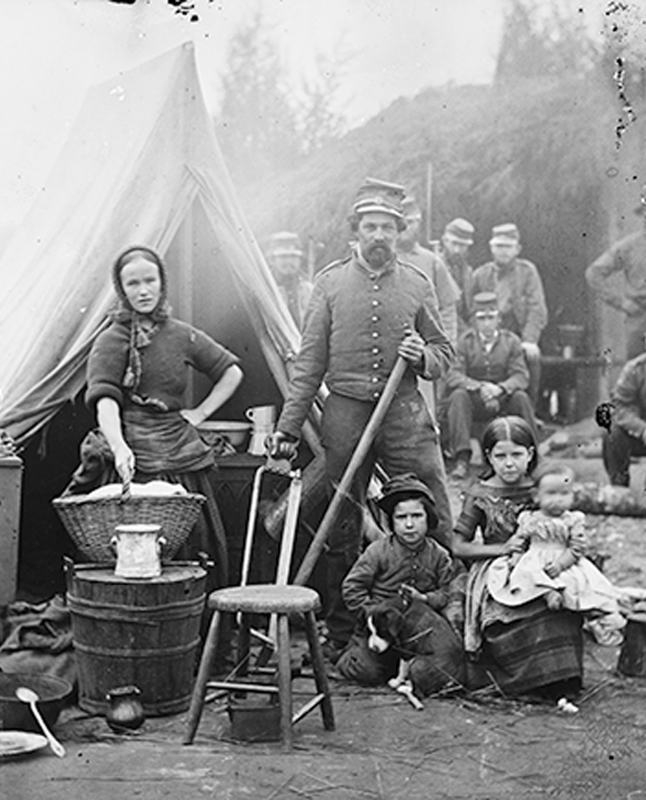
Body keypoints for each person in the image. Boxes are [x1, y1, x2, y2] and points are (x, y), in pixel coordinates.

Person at [270, 177, 454, 662]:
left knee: (430, 501)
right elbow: (308, 365)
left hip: (404, 409)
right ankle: (342, 630)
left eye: (387, 228)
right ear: (356, 231)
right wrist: (288, 429)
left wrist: (422, 357)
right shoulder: (329, 284)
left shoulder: (418, 283)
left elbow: (444, 352)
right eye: (370, 226)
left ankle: (441, 620)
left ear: (399, 232)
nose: (379, 235)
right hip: (346, 411)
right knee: (341, 520)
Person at [66, 245, 244, 575]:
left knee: (189, 546)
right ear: (121, 289)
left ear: (162, 282)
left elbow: (231, 372)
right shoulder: (111, 340)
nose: (143, 290)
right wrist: (119, 448)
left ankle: (190, 620)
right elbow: (106, 403)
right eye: (133, 283)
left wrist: (200, 413)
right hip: (129, 456)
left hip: (178, 454)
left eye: (150, 280)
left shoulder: (181, 334)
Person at [451, 416, 584, 702]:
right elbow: (458, 546)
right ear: (488, 456)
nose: (509, 463)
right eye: (500, 456)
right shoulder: (480, 493)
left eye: (516, 454)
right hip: (497, 568)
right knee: (515, 612)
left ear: (530, 454)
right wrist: (500, 550)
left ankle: (561, 681)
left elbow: (565, 524)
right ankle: (523, 683)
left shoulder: (541, 487)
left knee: (557, 605)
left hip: (544, 561)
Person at [486, 462, 626, 645]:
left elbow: (577, 548)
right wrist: (516, 557)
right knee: (524, 574)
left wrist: (561, 564)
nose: (558, 499)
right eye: (551, 493)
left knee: (576, 583)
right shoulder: (530, 518)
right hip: (535, 558)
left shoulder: (572, 519)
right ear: (537, 496)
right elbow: (520, 541)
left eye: (564, 493)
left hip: (562, 559)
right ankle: (547, 593)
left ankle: (583, 610)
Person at [337, 473, 455, 684]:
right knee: (368, 672)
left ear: (429, 517)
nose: (409, 525)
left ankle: (402, 669)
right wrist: (373, 612)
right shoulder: (378, 551)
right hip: (380, 630)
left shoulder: (439, 555)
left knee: (437, 671)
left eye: (417, 516)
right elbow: (352, 586)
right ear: (391, 521)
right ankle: (349, 655)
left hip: (417, 632)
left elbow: (446, 593)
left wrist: (426, 599)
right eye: (401, 518)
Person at [443, 292, 539, 479]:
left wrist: (500, 389)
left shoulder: (511, 341)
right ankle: (462, 459)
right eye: (481, 318)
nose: (486, 323)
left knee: (521, 397)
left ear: (499, 319)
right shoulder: (465, 342)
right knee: (458, 396)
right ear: (474, 321)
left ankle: (533, 458)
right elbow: (453, 375)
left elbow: (520, 376)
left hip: (503, 398)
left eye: (491, 317)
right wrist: (480, 387)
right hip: (475, 398)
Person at [470, 223, 548, 402]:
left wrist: (530, 340)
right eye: (499, 246)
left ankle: (529, 409)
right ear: (491, 247)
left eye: (508, 247)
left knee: (531, 358)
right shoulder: (480, 275)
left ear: (517, 249)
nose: (503, 251)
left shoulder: (527, 272)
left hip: (518, 336)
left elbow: (537, 308)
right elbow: (469, 310)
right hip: (487, 335)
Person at [585, 202, 646, 360]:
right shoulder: (629, 246)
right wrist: (621, 302)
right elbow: (594, 274)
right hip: (640, 319)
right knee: (637, 373)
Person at [397, 197, 460, 344]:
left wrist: (446, 347)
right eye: (401, 222)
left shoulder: (432, 262)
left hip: (424, 349)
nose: (406, 227)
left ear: (419, 223)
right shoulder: (379, 260)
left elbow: (447, 309)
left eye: (411, 222)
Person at [600, 344, 646, 486]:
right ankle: (620, 491)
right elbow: (619, 406)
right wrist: (642, 429)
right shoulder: (636, 369)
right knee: (613, 434)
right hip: (643, 435)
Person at [265, 231, 313, 328]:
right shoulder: (265, 290)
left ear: (299, 260)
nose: (289, 262)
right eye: (283, 257)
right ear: (272, 260)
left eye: (293, 257)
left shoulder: (309, 291)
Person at [439, 217, 476, 335]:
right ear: (445, 241)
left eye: (462, 245)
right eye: (454, 243)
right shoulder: (435, 268)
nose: (457, 250)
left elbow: (468, 310)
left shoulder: (468, 272)